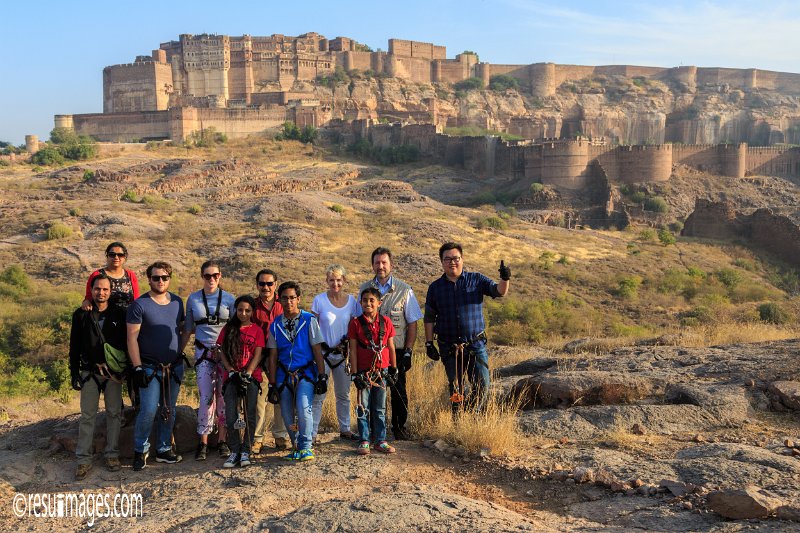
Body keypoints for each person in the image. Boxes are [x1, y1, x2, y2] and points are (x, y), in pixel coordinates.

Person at [424, 242, 510, 414]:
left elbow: (499, 291)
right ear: (442, 262)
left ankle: (473, 414)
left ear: (462, 259)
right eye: (447, 259)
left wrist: (505, 278)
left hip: (475, 345)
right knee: (455, 386)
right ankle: (458, 418)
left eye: (455, 258)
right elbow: (429, 317)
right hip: (449, 347)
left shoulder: (476, 279)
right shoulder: (435, 288)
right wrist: (428, 343)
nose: (452, 262)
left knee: (483, 384)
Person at [127, 261, 186, 471]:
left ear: (170, 278)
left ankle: (163, 449)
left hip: (174, 366)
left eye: (164, 277)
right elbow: (131, 338)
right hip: (149, 367)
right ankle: (140, 450)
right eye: (156, 278)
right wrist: (137, 367)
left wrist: (180, 351)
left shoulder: (178, 302)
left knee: (168, 409)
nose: (160, 281)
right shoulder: (139, 305)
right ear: (149, 279)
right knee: (149, 409)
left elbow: (180, 330)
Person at [359, 247, 422, 440]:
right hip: (371, 351)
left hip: (397, 350)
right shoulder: (364, 289)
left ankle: (399, 427)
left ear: (391, 264)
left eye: (384, 262)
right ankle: (373, 430)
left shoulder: (405, 290)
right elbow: (358, 319)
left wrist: (408, 351)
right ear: (372, 265)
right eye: (377, 262)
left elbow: (412, 322)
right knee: (372, 391)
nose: (380, 266)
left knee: (398, 390)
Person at [69, 274, 127, 480]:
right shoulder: (81, 314)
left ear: (110, 292)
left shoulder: (119, 313)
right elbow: (74, 345)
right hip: (89, 371)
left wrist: (123, 370)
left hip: (113, 373)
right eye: (97, 289)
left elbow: (125, 343)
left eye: (104, 289)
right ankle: (83, 460)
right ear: (91, 290)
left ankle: (112, 454)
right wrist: (74, 372)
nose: (100, 293)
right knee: (87, 416)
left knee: (114, 413)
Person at [266, 281, 327, 462]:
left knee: (302, 407)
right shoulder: (275, 325)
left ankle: (306, 446)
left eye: (292, 298)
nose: (289, 301)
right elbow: (272, 355)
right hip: (283, 374)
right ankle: (296, 446)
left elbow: (317, 350)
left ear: (298, 299)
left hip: (305, 372)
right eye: (284, 298)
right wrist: (271, 382)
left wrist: (322, 376)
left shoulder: (309, 320)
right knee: (286, 412)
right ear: (279, 300)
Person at [181, 260, 235, 461]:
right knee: (205, 398)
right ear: (202, 276)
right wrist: (178, 351)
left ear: (220, 276)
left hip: (225, 356)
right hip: (203, 354)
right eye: (207, 276)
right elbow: (188, 329)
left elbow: (234, 329)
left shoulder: (230, 299)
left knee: (222, 398)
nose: (211, 279)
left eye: (215, 276)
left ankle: (222, 440)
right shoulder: (193, 299)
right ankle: (203, 442)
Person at [311, 265, 360, 442]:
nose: (335, 283)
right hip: (323, 354)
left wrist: (346, 343)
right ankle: (313, 432)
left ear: (344, 281)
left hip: (342, 354)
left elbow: (355, 326)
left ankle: (345, 428)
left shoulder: (352, 302)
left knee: (343, 394)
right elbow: (313, 326)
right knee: (318, 394)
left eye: (339, 280)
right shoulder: (319, 300)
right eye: (332, 280)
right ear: (327, 281)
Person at [216, 295, 265, 468]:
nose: (243, 313)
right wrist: (230, 370)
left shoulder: (257, 330)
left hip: (251, 377)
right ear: (235, 310)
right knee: (231, 415)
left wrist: (249, 372)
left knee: (250, 414)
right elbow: (221, 350)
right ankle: (234, 450)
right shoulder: (228, 329)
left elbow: (258, 353)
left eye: (247, 310)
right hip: (231, 377)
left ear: (252, 312)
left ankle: (247, 449)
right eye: (240, 310)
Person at [348, 287, 398, 455]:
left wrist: (394, 369)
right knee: (363, 407)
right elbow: (353, 350)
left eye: (371, 300)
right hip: (364, 371)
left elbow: (390, 346)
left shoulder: (386, 322)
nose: (368, 303)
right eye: (364, 300)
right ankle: (364, 440)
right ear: (360, 303)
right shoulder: (355, 323)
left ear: (379, 303)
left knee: (379, 407)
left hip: (381, 371)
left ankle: (380, 440)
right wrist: (355, 373)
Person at [250, 268, 290, 453]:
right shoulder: (251, 306)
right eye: (262, 283)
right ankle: (257, 438)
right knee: (260, 400)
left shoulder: (284, 304)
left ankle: (280, 435)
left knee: (281, 398)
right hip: (259, 358)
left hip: (281, 358)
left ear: (276, 284)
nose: (265, 287)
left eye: (269, 283)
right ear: (257, 285)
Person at [81, 242, 140, 311]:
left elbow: (136, 300)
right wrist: (86, 301)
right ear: (107, 256)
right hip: (102, 319)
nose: (116, 257)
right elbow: (89, 297)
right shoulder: (97, 275)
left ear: (125, 257)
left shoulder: (130, 275)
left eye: (120, 255)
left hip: (127, 319)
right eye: (112, 255)